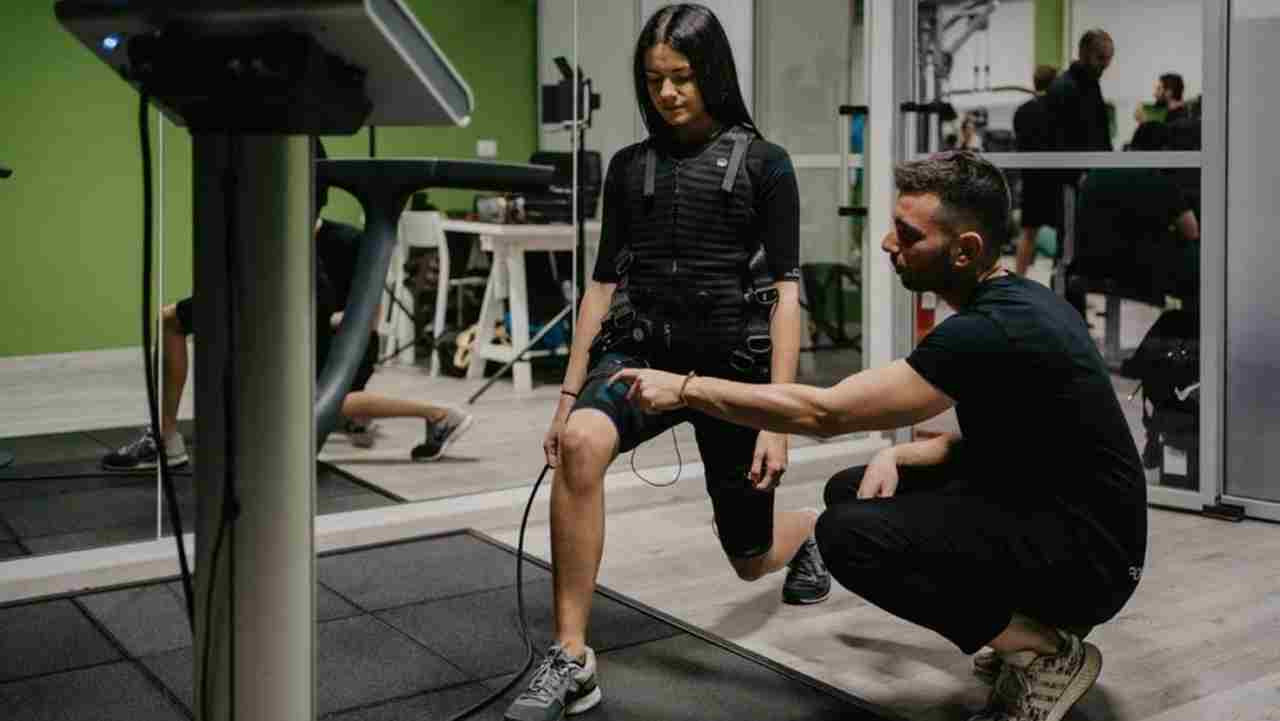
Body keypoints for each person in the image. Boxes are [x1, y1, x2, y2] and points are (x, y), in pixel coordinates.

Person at [611, 151, 1148, 721]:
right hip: (1062, 515)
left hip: (1093, 561)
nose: (890, 244)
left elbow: (826, 414)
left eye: (908, 234)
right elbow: (1024, 444)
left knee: (848, 536)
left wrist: (687, 389)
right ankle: (1021, 636)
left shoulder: (994, 328)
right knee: (854, 488)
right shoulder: (1014, 302)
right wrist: (905, 454)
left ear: (964, 250)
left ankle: (1046, 649)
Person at [503, 5, 829, 720]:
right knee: (582, 447)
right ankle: (572, 656)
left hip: (728, 368)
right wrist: (565, 399)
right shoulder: (629, 168)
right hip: (641, 352)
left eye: (682, 77)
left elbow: (784, 295)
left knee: (747, 557)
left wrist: (776, 417)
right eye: (654, 80)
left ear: (712, 73)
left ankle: (807, 531)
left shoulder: (767, 165)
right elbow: (600, 286)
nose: (668, 93)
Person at [102, 165, 472, 472]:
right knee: (172, 319)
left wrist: (330, 320)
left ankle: (439, 414)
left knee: (310, 403)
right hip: (299, 336)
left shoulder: (345, 243)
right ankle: (164, 438)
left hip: (342, 343)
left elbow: (368, 318)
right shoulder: (266, 245)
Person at [1072, 121, 1200, 306]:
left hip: (1088, 265)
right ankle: (1188, 329)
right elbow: (1191, 231)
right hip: (1132, 269)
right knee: (1199, 260)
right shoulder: (1156, 179)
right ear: (1163, 150)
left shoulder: (1098, 172)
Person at [1012, 65, 1059, 275]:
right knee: (1064, 234)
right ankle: (1062, 282)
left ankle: (1018, 281)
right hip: (1055, 179)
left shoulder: (1022, 112)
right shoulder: (1059, 110)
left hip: (1031, 179)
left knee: (1028, 234)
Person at [1045, 29, 1115, 153]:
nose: (1106, 64)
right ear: (1083, 54)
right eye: (1100, 58)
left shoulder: (1091, 84)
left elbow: (1100, 134)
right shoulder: (1064, 88)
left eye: (1109, 58)